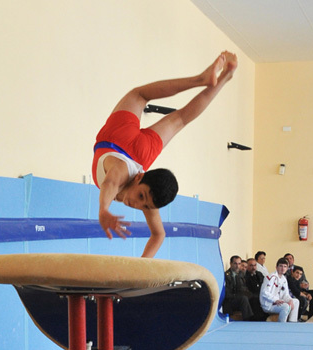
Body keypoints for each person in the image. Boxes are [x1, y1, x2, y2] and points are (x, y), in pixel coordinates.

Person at [92, 52, 238, 258]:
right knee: (141, 96)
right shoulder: (120, 172)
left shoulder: (149, 200)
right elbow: (109, 184)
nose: (137, 204)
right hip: (117, 138)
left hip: (141, 155)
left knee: (181, 119)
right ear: (140, 177)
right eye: (141, 196)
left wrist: (142, 265)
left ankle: (223, 79)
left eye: (145, 205)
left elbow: (159, 235)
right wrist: (103, 211)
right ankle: (201, 79)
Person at [260, 258, 299, 322]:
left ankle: (292, 322)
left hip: (278, 302)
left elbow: (286, 294)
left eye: (285, 267)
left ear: (287, 268)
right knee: (286, 307)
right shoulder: (270, 277)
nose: (283, 268)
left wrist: (290, 300)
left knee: (295, 301)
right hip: (269, 304)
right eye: (281, 266)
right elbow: (264, 293)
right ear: (276, 267)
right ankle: (281, 325)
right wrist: (276, 300)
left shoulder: (284, 279)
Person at [284, 253, 313, 317]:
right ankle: (300, 315)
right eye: (287, 259)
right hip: (292, 290)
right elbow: (294, 288)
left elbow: (304, 280)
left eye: (290, 258)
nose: (289, 260)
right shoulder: (284, 271)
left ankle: (312, 313)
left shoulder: (299, 268)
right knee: (302, 298)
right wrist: (304, 293)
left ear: (293, 260)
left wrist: (306, 286)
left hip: (300, 288)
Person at [222, 255, 253, 320]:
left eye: (239, 264)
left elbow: (244, 288)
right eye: (235, 263)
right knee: (243, 299)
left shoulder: (241, 274)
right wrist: (239, 295)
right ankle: (247, 320)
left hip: (239, 299)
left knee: (253, 298)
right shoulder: (226, 275)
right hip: (229, 301)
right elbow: (227, 293)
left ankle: (253, 319)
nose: (237, 266)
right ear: (231, 264)